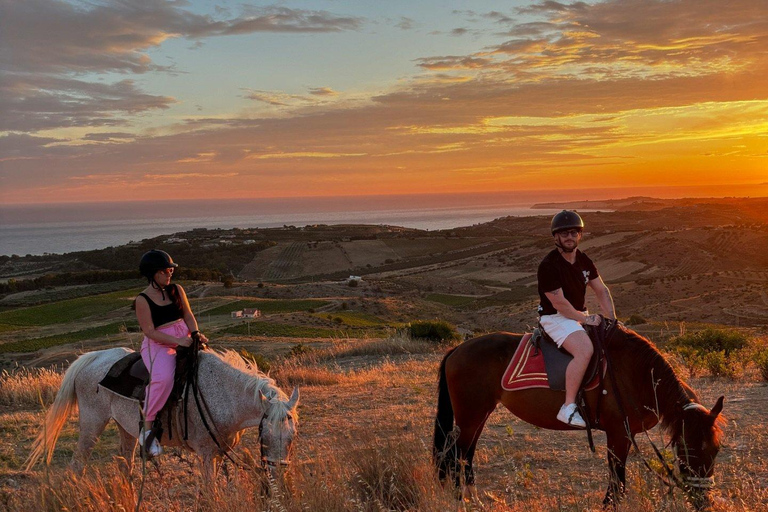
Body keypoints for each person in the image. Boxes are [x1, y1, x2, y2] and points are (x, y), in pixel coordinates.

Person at [537, 211, 616, 428]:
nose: (569, 237)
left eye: (573, 232)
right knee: (584, 350)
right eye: (563, 233)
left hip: (578, 316)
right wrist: (586, 319)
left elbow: (601, 290)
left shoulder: (584, 260)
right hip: (555, 318)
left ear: (579, 235)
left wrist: (613, 320)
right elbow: (559, 303)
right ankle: (568, 407)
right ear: (556, 237)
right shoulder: (549, 265)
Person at [134, 249, 209, 456]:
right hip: (158, 345)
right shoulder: (143, 300)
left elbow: (188, 314)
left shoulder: (177, 289)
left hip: (184, 337)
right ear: (153, 274)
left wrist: (195, 333)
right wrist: (176, 341)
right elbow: (149, 331)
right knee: (164, 379)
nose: (170, 274)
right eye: (165, 270)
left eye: (170, 270)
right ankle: (147, 427)